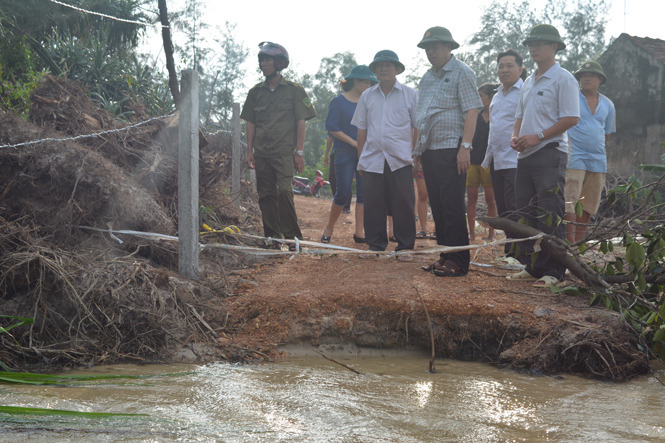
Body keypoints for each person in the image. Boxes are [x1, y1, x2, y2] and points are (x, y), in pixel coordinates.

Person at [507, 24, 580, 288]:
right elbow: (519, 116)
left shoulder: (564, 79)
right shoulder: (528, 81)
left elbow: (571, 117)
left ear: (554, 47)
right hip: (525, 155)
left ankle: (555, 271)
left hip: (550, 153)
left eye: (539, 43)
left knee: (550, 213)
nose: (533, 48)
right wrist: (515, 137)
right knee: (526, 214)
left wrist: (538, 136)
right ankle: (533, 266)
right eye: (530, 43)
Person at [414, 26, 483, 277]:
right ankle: (445, 255)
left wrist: (465, 147)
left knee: (453, 205)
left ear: (449, 47)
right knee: (439, 205)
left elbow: (472, 110)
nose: (430, 51)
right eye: (427, 48)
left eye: (435, 46)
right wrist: (418, 150)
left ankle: (459, 261)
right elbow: (423, 116)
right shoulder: (427, 77)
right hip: (430, 149)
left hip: (452, 149)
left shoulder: (462, 72)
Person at [240, 42, 316, 249]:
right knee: (265, 194)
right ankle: (273, 238)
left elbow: (301, 121)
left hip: (284, 153)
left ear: (279, 63)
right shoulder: (255, 92)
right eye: (262, 60)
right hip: (262, 152)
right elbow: (251, 122)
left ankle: (292, 238)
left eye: (268, 60)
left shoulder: (294, 91)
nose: (263, 64)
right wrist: (249, 151)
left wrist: (299, 151)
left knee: (284, 191)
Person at [351, 50, 418, 256]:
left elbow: (417, 127)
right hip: (372, 159)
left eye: (389, 65)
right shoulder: (367, 96)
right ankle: (376, 246)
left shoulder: (411, 94)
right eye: (379, 66)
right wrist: (361, 159)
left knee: (404, 203)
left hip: (401, 159)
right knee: (373, 203)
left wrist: (412, 153)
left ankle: (405, 247)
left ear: (397, 69)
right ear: (374, 71)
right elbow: (361, 130)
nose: (384, 68)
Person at [321, 65, 378, 244]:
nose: (368, 85)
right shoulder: (339, 101)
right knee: (343, 192)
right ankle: (329, 228)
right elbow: (331, 127)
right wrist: (354, 142)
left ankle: (359, 232)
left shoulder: (369, 102)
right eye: (365, 81)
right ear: (355, 81)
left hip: (366, 153)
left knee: (363, 193)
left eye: (370, 82)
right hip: (344, 151)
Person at [564, 61, 616, 244]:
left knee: (588, 203)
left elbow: (606, 133)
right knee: (570, 200)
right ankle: (569, 243)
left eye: (591, 75)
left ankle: (578, 243)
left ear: (600, 79)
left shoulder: (608, 105)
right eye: (583, 75)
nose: (587, 78)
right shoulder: (571, 98)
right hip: (574, 156)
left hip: (598, 159)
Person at [482, 49, 525, 265]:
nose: (504, 70)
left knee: (516, 208)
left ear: (520, 68)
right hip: (497, 160)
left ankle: (521, 254)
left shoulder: (525, 91)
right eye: (501, 66)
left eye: (509, 65)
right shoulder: (497, 96)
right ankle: (511, 252)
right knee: (504, 209)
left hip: (516, 160)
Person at [467, 83, 499, 242]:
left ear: (491, 97)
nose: (479, 99)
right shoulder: (475, 116)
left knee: (491, 200)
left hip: (490, 162)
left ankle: (491, 234)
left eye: (481, 95)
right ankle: (471, 233)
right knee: (471, 198)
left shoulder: (497, 116)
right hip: (473, 161)